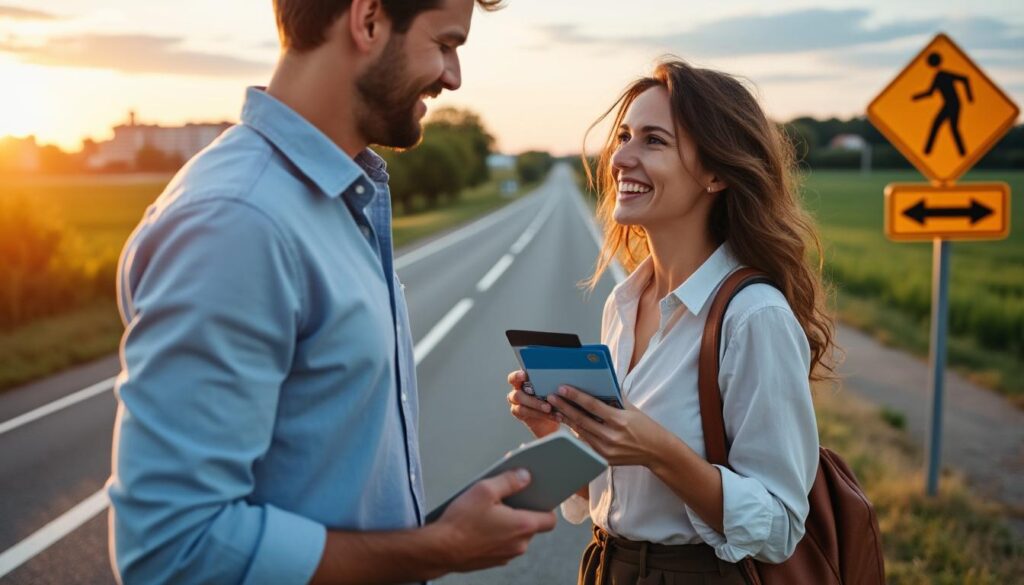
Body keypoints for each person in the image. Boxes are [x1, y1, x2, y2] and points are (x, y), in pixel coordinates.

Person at [107, 1, 556, 583]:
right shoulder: (241, 221)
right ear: (368, 20)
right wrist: (437, 550)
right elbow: (172, 550)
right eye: (446, 44)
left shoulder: (337, 200)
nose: (453, 76)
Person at [507, 59, 836, 584]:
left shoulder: (754, 318)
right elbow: (615, 497)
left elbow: (780, 526)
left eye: (653, 141)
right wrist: (553, 428)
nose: (621, 158)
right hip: (606, 569)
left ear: (716, 173)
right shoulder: (624, 302)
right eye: (623, 136)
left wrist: (660, 452)